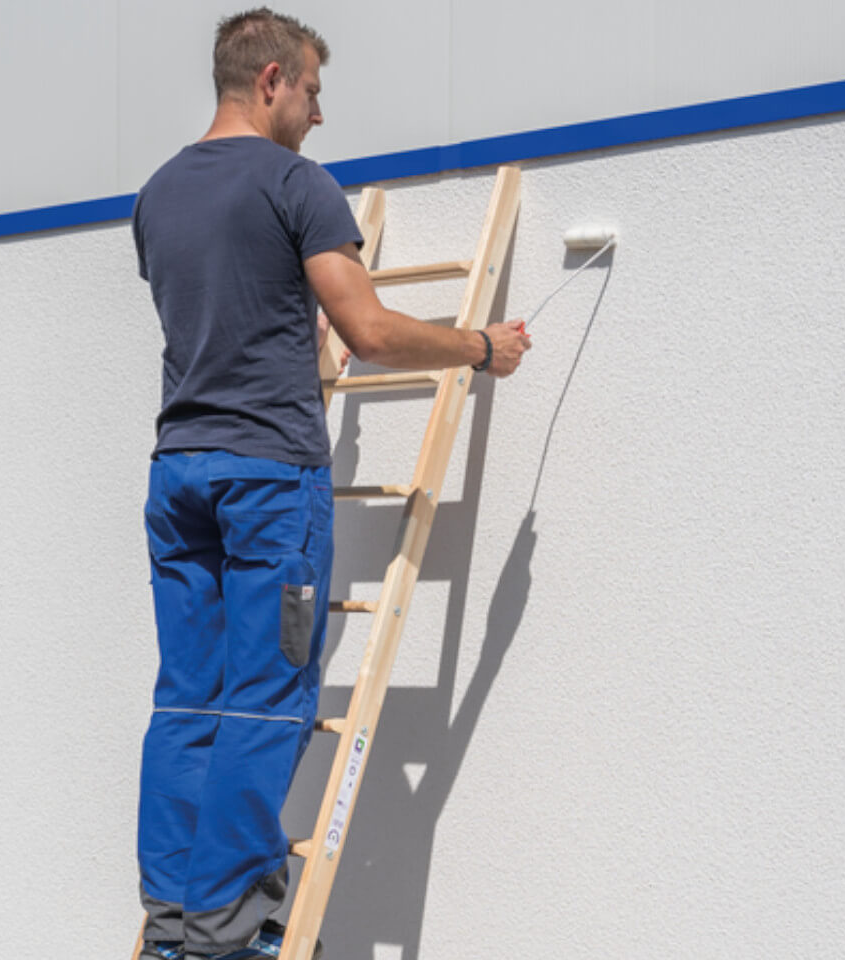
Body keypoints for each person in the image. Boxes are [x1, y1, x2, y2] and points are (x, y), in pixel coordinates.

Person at [130, 8, 530, 959]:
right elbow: (373, 332)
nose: (318, 115)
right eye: (311, 91)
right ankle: (228, 937)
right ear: (271, 79)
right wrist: (480, 347)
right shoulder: (295, 183)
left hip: (179, 474)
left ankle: (175, 922)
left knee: (189, 701)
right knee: (267, 701)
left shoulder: (157, 194)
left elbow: (222, 316)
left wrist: (292, 348)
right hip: (267, 480)